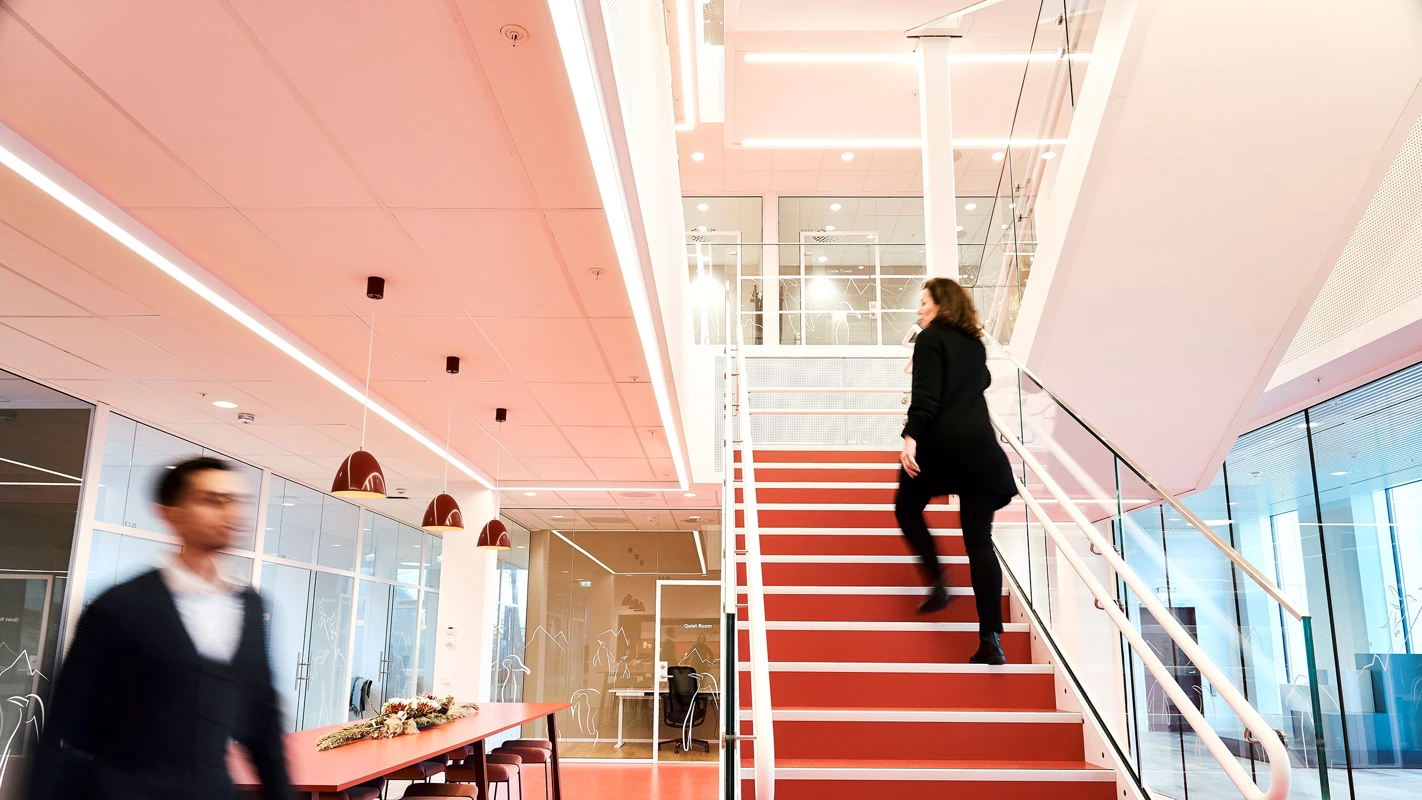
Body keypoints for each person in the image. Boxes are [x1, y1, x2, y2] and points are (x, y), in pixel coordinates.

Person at [28, 457, 292, 800]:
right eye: (212, 500)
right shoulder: (120, 606)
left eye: (237, 501)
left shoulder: (251, 606)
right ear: (171, 513)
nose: (231, 512)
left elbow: (263, 722)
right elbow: (65, 724)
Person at [895, 278, 1017, 666]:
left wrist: (910, 436)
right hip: (981, 450)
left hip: (942, 448)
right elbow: (980, 381)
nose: (919, 310)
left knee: (906, 508)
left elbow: (927, 395)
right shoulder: (974, 344)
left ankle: (939, 582)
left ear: (941, 305)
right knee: (979, 541)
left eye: (924, 302)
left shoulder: (930, 339)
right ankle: (991, 639)